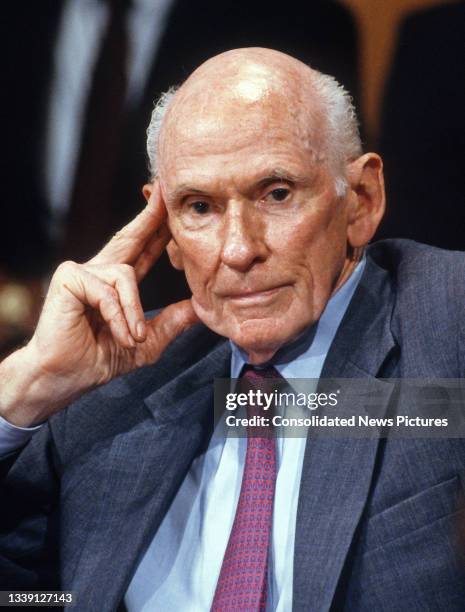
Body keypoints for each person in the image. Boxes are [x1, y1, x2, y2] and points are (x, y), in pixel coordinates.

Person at [1, 48, 465, 611]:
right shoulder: (110, 382)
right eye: (199, 207)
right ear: (163, 225)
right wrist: (25, 388)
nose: (239, 250)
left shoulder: (447, 321)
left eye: (276, 193)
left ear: (361, 200)